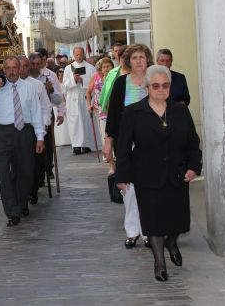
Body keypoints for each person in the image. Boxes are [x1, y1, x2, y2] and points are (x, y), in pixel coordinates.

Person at [115, 65, 202, 282]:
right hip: (146, 174)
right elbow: (123, 146)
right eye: (156, 86)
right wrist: (122, 177)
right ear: (147, 88)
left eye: (165, 86)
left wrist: (193, 166)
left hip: (177, 173)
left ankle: (172, 242)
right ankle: (159, 262)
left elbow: (193, 142)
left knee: (179, 220)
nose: (161, 90)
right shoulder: (133, 112)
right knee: (152, 220)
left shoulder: (180, 111)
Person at [0, 57, 45, 226]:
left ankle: (22, 202)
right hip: (2, 134)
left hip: (24, 132)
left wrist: (40, 137)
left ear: (20, 69)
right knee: (4, 174)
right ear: (3, 70)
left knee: (25, 172)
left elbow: (36, 112)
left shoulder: (29, 88)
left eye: (14, 68)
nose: (11, 71)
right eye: (8, 68)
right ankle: (12, 212)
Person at [105, 43, 153, 249]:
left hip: (151, 141)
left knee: (149, 186)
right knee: (128, 187)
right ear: (128, 61)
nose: (139, 61)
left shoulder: (154, 81)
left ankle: (149, 231)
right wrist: (109, 141)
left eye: (142, 57)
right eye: (134, 58)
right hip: (126, 140)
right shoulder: (121, 83)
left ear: (147, 59)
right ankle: (132, 231)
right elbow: (113, 114)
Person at [18, 56, 51, 206]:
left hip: (34, 128)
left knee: (35, 164)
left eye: (26, 66)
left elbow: (45, 107)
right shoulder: (8, 85)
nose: (23, 69)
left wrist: (43, 126)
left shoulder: (37, 85)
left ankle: (33, 189)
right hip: (16, 129)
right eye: (20, 66)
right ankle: (22, 194)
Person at [30, 51, 63, 183]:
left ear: (42, 62)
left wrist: (51, 90)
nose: (35, 66)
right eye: (32, 63)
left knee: (48, 144)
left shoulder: (50, 75)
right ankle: (37, 172)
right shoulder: (25, 77)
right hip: (30, 116)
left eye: (38, 63)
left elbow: (58, 99)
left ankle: (48, 168)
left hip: (46, 114)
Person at [62, 47, 96, 154]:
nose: (79, 57)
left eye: (81, 54)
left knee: (86, 121)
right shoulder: (68, 68)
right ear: (73, 55)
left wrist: (82, 80)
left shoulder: (90, 68)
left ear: (84, 54)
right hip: (72, 98)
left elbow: (94, 83)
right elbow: (64, 85)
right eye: (76, 55)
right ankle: (76, 145)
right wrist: (74, 80)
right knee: (75, 122)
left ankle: (86, 144)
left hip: (84, 97)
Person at [86, 57, 114, 162]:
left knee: (114, 133)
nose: (106, 69)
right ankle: (107, 154)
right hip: (100, 109)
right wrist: (89, 104)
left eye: (108, 66)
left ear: (112, 67)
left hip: (113, 109)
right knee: (103, 133)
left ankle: (114, 153)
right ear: (101, 69)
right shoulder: (96, 77)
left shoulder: (116, 77)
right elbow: (88, 91)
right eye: (104, 67)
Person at [99, 42, 126, 115]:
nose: (118, 53)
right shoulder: (112, 72)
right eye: (116, 51)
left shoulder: (135, 72)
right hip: (115, 109)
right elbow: (105, 93)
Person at [53, 67, 70, 148]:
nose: (61, 76)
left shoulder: (65, 83)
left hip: (66, 103)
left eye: (62, 74)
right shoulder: (56, 84)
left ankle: (67, 139)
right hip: (58, 104)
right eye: (59, 74)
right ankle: (59, 140)